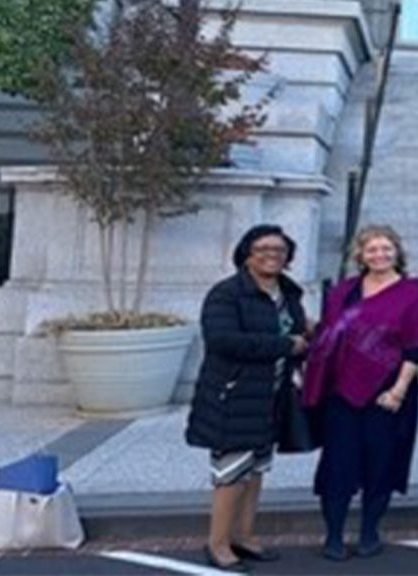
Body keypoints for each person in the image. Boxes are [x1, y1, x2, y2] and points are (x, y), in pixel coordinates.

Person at [303, 225, 418, 561]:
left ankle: (369, 532)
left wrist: (399, 390)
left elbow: (416, 346)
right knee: (338, 464)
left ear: (397, 252)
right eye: (372, 249)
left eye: (386, 249)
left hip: (389, 392)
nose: (380, 255)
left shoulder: (412, 291)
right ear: (359, 255)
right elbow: (328, 339)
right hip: (341, 392)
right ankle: (333, 535)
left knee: (381, 462)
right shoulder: (343, 292)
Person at [185, 224, 309, 572]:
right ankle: (219, 543)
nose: (272, 255)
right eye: (263, 249)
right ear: (246, 254)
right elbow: (224, 340)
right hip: (235, 394)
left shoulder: (288, 293)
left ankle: (244, 535)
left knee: (255, 470)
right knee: (230, 473)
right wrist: (286, 345)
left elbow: (294, 331)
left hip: (272, 395)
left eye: (280, 250)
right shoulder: (227, 293)